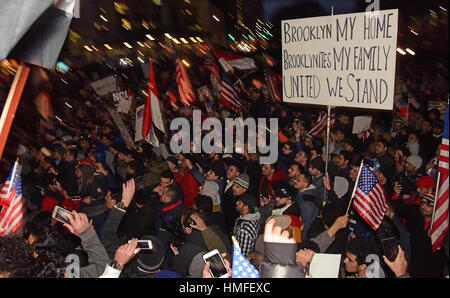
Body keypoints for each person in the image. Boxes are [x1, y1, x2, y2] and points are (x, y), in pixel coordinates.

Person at [233, 179, 261, 256]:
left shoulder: (244, 231)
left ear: (246, 207)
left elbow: (243, 255)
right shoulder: (253, 218)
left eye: (240, 202)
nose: (236, 202)